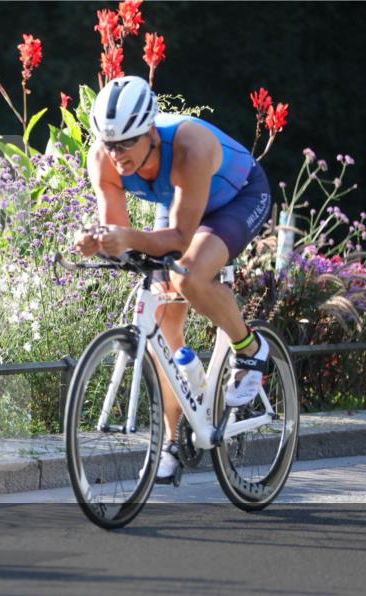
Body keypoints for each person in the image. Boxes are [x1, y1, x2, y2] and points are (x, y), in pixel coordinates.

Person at [74, 75, 272, 484]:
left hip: (238, 198)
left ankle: (251, 348)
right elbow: (122, 235)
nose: (116, 155)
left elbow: (181, 239)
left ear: (149, 131)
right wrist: (99, 241)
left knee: (191, 279)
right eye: (109, 144)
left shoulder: (189, 145)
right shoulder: (103, 158)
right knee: (162, 324)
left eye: (126, 143)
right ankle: (171, 438)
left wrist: (125, 238)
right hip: (179, 202)